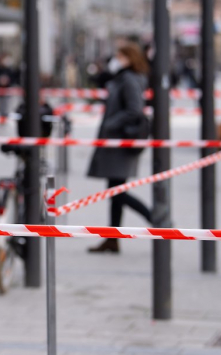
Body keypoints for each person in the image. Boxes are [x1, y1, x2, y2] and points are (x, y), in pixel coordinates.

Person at [87, 43, 152, 254]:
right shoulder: (121, 78)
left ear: (128, 58)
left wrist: (111, 124)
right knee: (115, 190)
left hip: (121, 142)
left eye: (119, 55)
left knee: (117, 191)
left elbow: (134, 110)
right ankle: (112, 239)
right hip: (116, 142)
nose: (116, 59)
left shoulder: (129, 80)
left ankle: (157, 219)